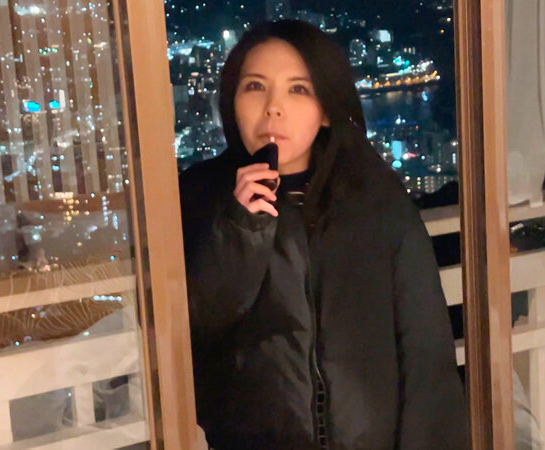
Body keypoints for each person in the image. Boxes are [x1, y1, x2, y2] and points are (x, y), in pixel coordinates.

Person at [179, 20, 468, 450]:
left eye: (298, 89)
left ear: (327, 109)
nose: (273, 108)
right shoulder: (200, 197)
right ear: (231, 99)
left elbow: (425, 353)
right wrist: (239, 228)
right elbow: (193, 329)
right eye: (255, 86)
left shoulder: (375, 201)